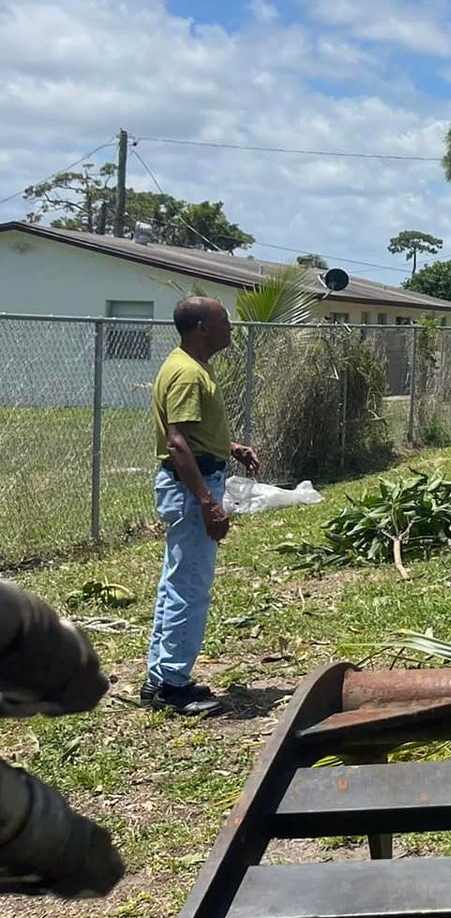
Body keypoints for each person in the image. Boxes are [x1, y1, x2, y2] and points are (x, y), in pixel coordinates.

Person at [143, 296, 258, 715]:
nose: (230, 328)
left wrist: (230, 447)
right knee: (189, 590)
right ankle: (173, 686)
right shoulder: (188, 374)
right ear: (201, 328)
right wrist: (208, 503)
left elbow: (191, 434)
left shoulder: (190, 365)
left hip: (193, 482)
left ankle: (159, 678)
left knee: (177, 584)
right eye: (224, 321)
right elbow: (177, 443)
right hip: (190, 489)